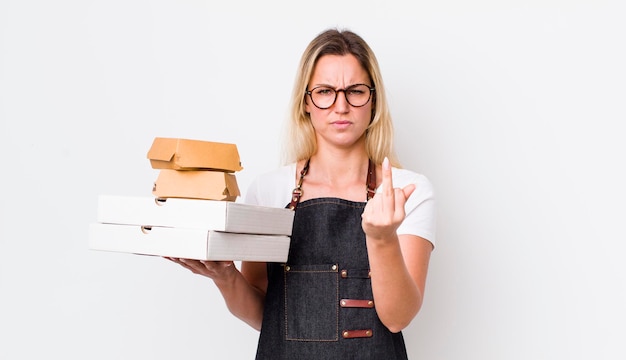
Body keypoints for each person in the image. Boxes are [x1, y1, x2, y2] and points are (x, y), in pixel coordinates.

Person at [168, 28, 436, 359]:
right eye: (325, 91)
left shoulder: (406, 191)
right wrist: (225, 276)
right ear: (306, 101)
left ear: (374, 101)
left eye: (355, 91)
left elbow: (398, 318)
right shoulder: (268, 190)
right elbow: (265, 316)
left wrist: (382, 239)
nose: (341, 106)